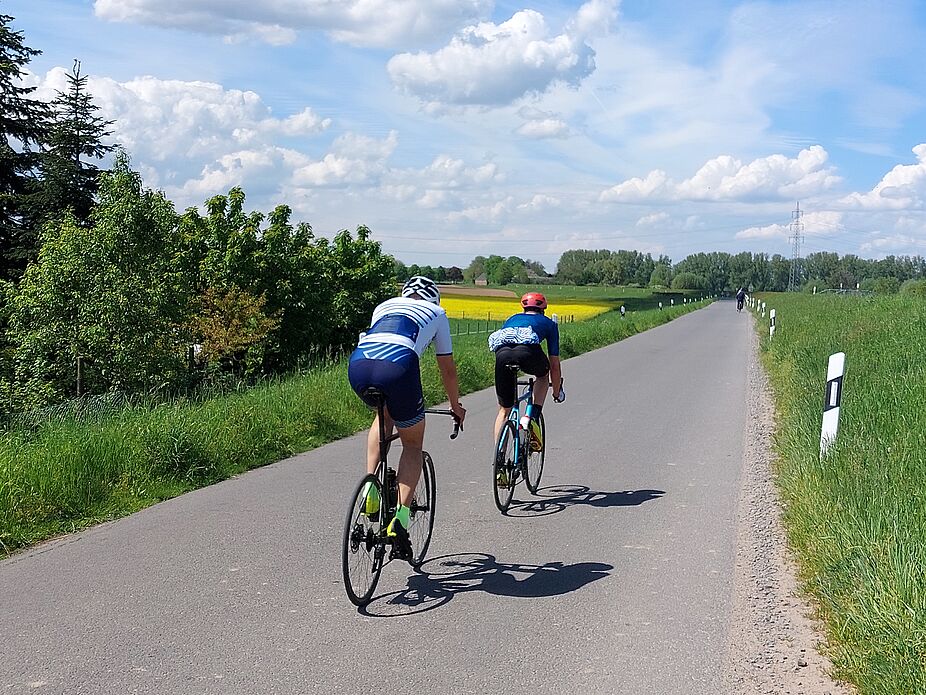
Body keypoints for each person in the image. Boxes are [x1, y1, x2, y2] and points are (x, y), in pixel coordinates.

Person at [348, 276, 466, 559]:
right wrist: (455, 406)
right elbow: (447, 369)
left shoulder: (384, 305)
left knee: (384, 417)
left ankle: (370, 487)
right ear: (434, 298)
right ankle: (400, 519)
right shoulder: (437, 313)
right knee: (412, 444)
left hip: (359, 363)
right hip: (399, 365)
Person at [488, 291, 564, 458]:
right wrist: (556, 391)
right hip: (528, 353)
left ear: (524, 308)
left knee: (504, 410)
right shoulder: (549, 324)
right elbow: (554, 365)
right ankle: (531, 417)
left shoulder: (512, 319)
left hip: (502, 356)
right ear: (543, 309)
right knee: (543, 376)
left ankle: (499, 459)